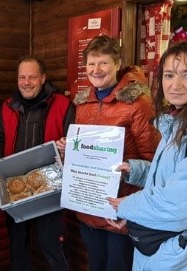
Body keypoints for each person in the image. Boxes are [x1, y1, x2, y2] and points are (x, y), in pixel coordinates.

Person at [108, 41, 187, 270]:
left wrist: (126, 206)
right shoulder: (182, 122)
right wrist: (136, 171)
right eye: (168, 75)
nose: (175, 85)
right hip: (170, 248)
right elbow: (175, 176)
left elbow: (178, 204)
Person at [56, 35, 160, 271]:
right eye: (91, 64)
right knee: (96, 264)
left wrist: (134, 203)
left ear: (117, 63)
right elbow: (82, 150)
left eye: (103, 63)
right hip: (89, 205)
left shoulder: (138, 103)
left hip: (120, 209)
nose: (96, 70)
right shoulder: (83, 103)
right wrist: (68, 147)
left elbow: (152, 159)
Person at [0, 57, 74, 271]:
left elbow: (73, 143)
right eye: (22, 77)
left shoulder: (63, 105)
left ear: (43, 78)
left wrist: (67, 148)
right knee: (18, 248)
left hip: (50, 190)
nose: (27, 82)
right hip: (16, 190)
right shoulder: (7, 107)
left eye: (32, 77)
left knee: (52, 247)